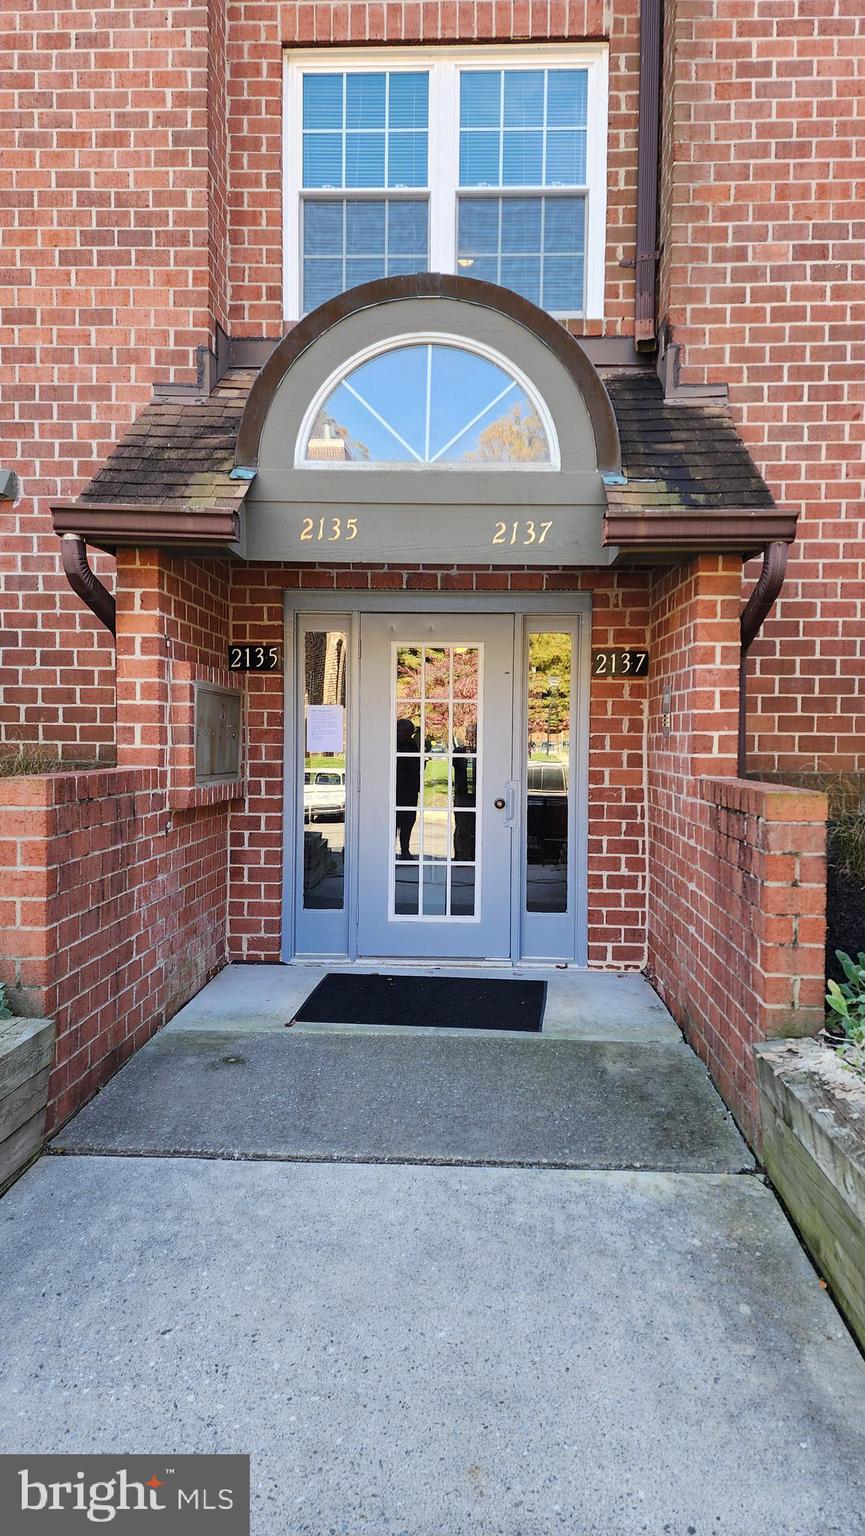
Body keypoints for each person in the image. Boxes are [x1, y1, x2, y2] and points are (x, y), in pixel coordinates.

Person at [395, 717, 421, 857]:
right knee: (392, 821)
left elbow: (416, 766)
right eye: (399, 729)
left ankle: (405, 850)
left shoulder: (412, 745)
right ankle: (390, 851)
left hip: (410, 790)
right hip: (395, 789)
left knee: (408, 821)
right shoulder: (391, 745)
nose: (400, 732)